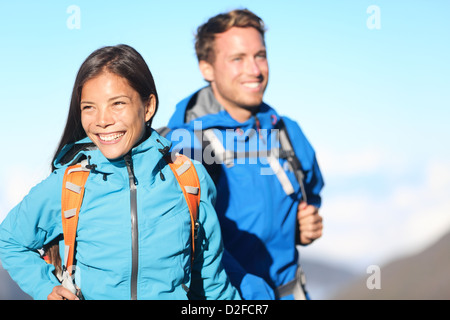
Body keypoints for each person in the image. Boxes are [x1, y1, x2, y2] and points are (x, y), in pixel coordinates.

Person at [0, 44, 240, 300]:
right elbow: (10, 240)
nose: (102, 120)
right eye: (89, 107)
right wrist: (45, 287)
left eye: (117, 104)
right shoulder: (71, 183)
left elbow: (211, 284)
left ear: (148, 107)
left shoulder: (189, 179)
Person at [164, 9, 325, 300]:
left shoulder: (288, 133)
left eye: (260, 55)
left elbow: (310, 197)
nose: (255, 70)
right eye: (237, 59)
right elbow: (185, 242)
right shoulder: (187, 144)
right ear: (207, 68)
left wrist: (304, 226)